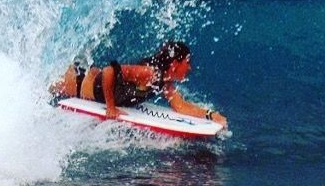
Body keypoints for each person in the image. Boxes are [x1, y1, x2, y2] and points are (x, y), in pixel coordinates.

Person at [50, 41, 228, 128]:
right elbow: (109, 71)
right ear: (174, 63)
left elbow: (180, 106)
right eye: (187, 62)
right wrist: (110, 107)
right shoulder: (149, 73)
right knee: (41, 89)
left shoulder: (163, 81)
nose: (189, 67)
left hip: (84, 83)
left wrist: (210, 115)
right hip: (76, 83)